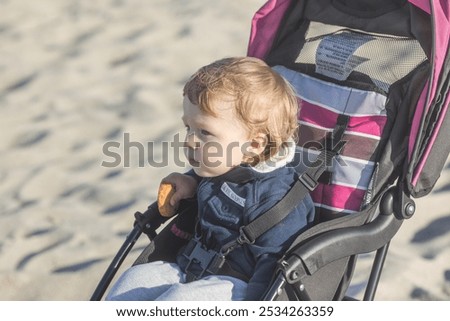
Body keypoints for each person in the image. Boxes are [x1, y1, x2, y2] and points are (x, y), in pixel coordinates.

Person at [105, 57, 315, 301]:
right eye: (188, 128)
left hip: (237, 285)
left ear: (254, 145)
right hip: (189, 264)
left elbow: (273, 267)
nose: (189, 141)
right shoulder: (223, 163)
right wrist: (190, 181)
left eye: (205, 132)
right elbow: (209, 180)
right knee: (131, 283)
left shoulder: (276, 201)